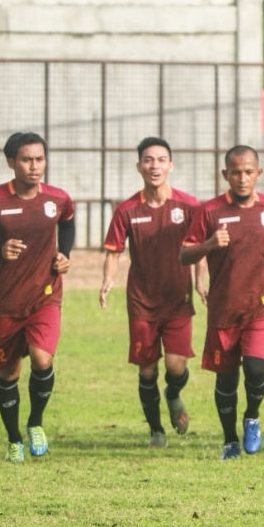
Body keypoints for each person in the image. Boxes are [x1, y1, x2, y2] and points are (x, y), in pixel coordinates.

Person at [0, 131, 75, 464]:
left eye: (40, 159)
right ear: (12, 162)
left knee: (43, 359)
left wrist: (64, 253)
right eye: (27, 159)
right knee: (7, 373)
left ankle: (35, 423)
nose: (34, 166)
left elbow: (67, 222)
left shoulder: (57, 198)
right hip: (7, 304)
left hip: (46, 296)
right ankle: (14, 440)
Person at [100, 137, 203, 448]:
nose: (154, 166)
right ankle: (156, 430)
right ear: (139, 167)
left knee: (176, 366)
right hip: (142, 302)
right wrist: (108, 280)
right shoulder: (127, 210)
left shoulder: (189, 206)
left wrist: (201, 282)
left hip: (177, 300)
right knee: (147, 370)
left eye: (160, 160)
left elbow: (200, 248)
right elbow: (114, 251)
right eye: (148, 160)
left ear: (170, 165)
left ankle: (173, 393)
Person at [180, 146, 264, 460]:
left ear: (259, 174)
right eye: (235, 172)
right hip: (224, 310)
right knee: (226, 378)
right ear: (225, 175)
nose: (242, 178)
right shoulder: (210, 211)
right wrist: (210, 244)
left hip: (260, 306)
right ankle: (229, 440)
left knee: (255, 368)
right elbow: (185, 253)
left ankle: (252, 416)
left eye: (248, 171)